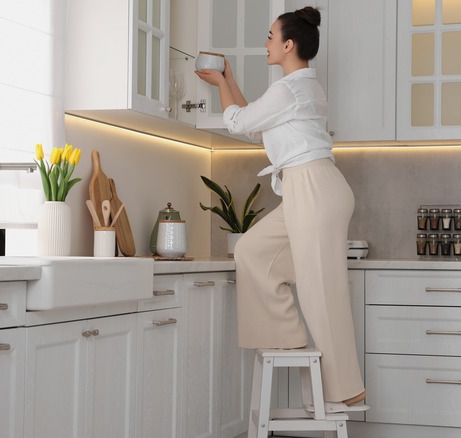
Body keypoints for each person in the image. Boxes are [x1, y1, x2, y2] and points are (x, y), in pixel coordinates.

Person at [195, 6, 366, 409]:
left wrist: (220, 83)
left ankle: (346, 389)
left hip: (314, 187)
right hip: (308, 188)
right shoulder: (297, 89)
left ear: (289, 45)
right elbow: (254, 125)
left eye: (271, 36)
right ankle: (289, 340)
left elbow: (236, 123)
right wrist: (230, 80)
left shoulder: (289, 89)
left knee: (321, 289)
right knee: (252, 251)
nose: (266, 42)